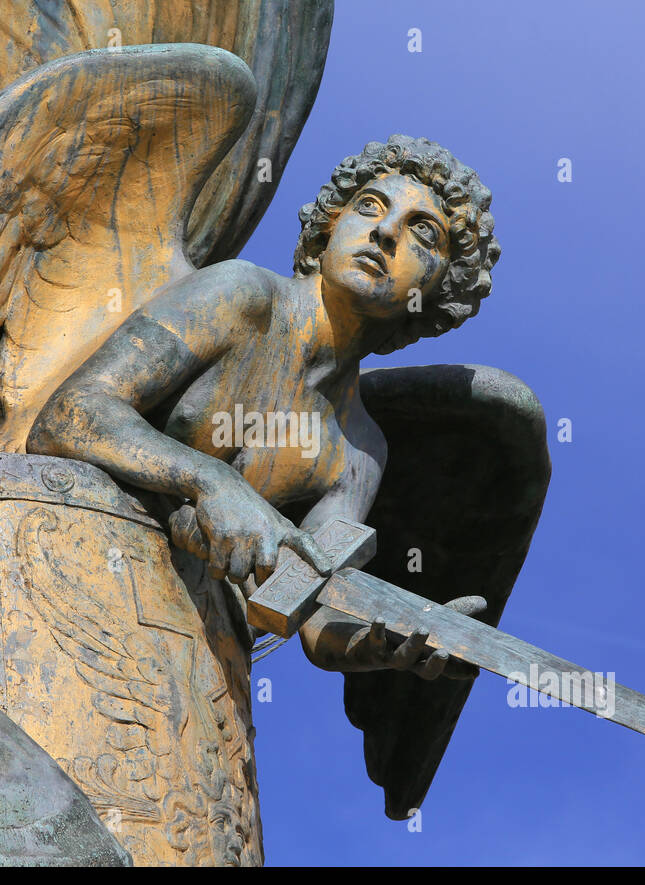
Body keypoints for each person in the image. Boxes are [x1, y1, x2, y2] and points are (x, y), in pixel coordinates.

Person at [28, 135, 501, 679]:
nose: (386, 231)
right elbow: (69, 415)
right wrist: (213, 480)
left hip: (185, 648)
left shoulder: (361, 449)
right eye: (369, 205)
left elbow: (307, 605)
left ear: (441, 287)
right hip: (62, 557)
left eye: (423, 232)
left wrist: (380, 643)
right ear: (329, 225)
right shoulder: (241, 296)